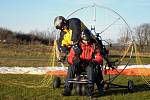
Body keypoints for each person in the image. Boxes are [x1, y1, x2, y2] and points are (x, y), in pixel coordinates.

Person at [61, 29, 104, 97]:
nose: (86, 42)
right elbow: (70, 57)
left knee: (91, 68)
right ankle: (67, 89)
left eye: (88, 40)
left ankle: (90, 89)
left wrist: (95, 61)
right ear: (81, 38)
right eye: (85, 41)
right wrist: (74, 60)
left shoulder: (94, 46)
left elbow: (99, 57)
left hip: (89, 65)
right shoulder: (76, 46)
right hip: (79, 65)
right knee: (71, 67)